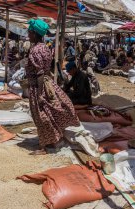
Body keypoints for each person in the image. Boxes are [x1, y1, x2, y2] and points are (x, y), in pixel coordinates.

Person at [26, 19, 79, 155]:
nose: (28, 34)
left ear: (34, 33)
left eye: (29, 32)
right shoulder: (45, 48)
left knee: (40, 115)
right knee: (49, 111)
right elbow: (47, 69)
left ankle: (45, 146)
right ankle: (54, 138)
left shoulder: (35, 51)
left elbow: (39, 74)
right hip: (47, 82)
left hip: (38, 86)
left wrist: (39, 94)